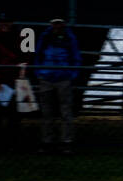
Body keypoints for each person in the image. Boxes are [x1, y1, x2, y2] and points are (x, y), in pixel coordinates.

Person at [34, 17, 81, 153]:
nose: (57, 25)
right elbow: (38, 55)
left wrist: (71, 74)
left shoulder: (69, 37)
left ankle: (66, 141)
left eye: (59, 23)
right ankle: (47, 141)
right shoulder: (45, 36)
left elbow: (76, 57)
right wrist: (39, 72)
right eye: (55, 23)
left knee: (65, 112)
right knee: (47, 112)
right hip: (47, 77)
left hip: (62, 78)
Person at [0, 16, 24, 146]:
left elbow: (25, 58)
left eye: (7, 21)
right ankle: (0, 142)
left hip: (12, 81)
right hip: (2, 82)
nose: (5, 24)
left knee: (13, 114)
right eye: (3, 22)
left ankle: (7, 142)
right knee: (0, 113)